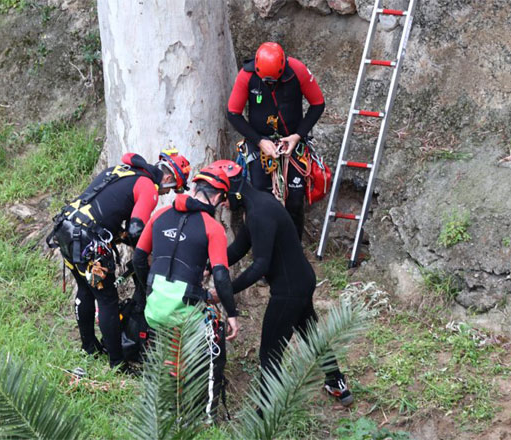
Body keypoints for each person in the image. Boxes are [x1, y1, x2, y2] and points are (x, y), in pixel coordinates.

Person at [211, 160, 353, 406]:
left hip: (288, 291)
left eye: (221, 198)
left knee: (269, 354)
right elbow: (238, 249)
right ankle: (336, 382)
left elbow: (260, 266)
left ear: (231, 192)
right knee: (311, 335)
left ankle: (265, 415)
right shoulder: (259, 203)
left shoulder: (258, 214)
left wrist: (225, 291)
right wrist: (210, 264)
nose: (222, 203)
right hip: (301, 280)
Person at [48, 149, 191, 369]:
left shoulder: (121, 170)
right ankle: (116, 363)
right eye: (173, 189)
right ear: (169, 178)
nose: (166, 194)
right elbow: (136, 229)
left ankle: (89, 348)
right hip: (88, 242)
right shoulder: (148, 188)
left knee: (85, 290)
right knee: (107, 300)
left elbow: (108, 208)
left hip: (66, 230)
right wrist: (145, 255)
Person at [227, 41, 325, 240]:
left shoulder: (297, 71)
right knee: (261, 199)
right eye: (266, 80)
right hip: (259, 145)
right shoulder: (247, 75)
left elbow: (318, 104)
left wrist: (298, 136)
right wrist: (260, 141)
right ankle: (264, 248)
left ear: (282, 68)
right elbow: (233, 113)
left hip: (293, 144)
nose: (270, 84)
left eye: (274, 80)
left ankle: (293, 248)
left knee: (295, 200)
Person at [132, 162, 239, 338]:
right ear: (217, 197)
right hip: (185, 315)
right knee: (209, 342)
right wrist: (232, 315)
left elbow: (138, 259)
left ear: (195, 188)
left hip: (153, 309)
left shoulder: (160, 214)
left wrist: (150, 290)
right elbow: (221, 277)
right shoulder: (213, 228)